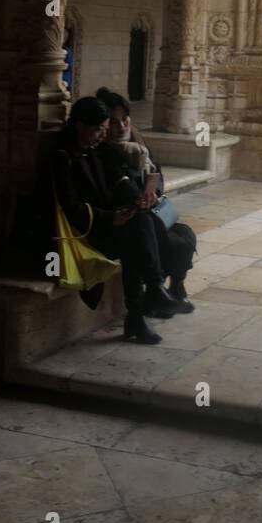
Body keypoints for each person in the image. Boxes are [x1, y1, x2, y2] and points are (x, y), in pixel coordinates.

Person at [45, 97, 175, 344]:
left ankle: (146, 302)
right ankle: (146, 302)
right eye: (98, 129)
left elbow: (118, 180)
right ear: (79, 125)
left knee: (140, 223)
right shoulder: (63, 157)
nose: (101, 136)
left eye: (104, 130)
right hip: (80, 233)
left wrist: (135, 201)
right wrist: (109, 218)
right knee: (136, 234)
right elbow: (70, 207)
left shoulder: (95, 150)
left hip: (105, 224)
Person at [96, 87, 197, 315]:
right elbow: (118, 182)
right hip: (128, 215)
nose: (121, 126)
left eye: (124, 119)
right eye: (112, 122)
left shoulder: (137, 142)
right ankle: (154, 293)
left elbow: (157, 172)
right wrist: (139, 197)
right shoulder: (103, 152)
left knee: (185, 233)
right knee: (167, 240)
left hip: (148, 209)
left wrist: (155, 190)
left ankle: (177, 286)